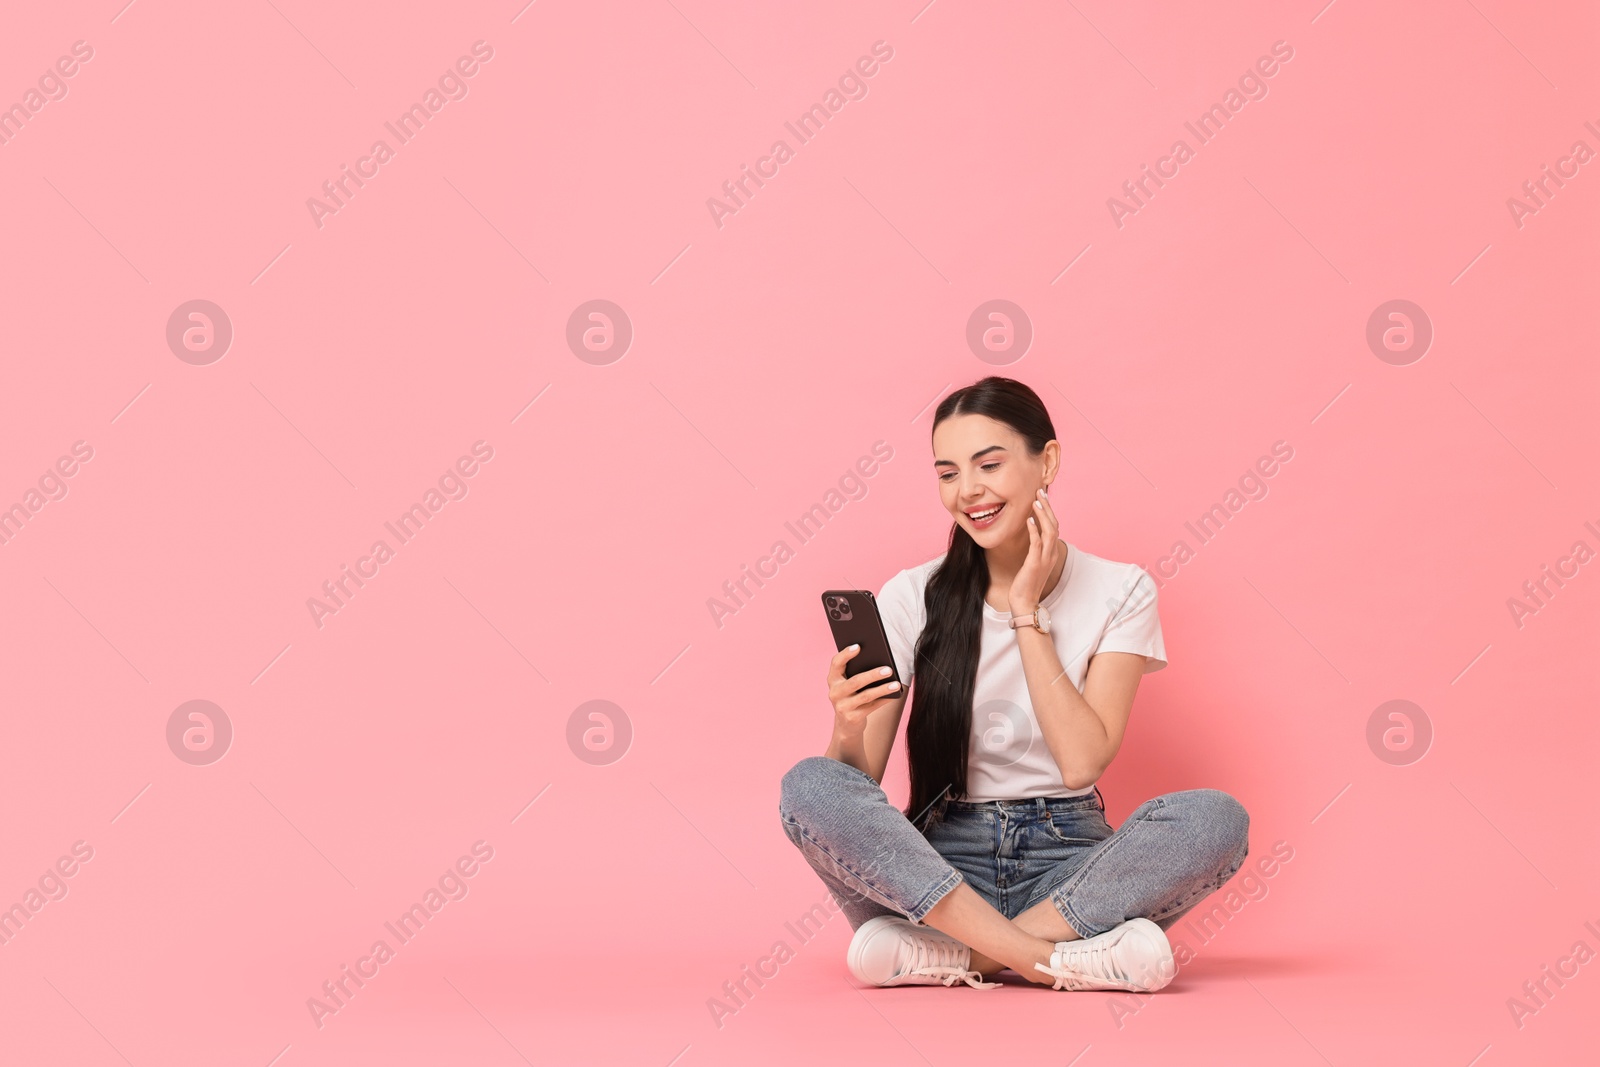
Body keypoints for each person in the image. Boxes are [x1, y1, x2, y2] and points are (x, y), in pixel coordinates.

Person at [778, 375, 1250, 992]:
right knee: (810, 783)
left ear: (1046, 461)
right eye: (947, 473)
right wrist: (846, 727)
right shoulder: (911, 596)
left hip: (1069, 863)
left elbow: (1082, 761)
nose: (968, 490)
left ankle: (962, 957)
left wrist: (1027, 611)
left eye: (989, 464)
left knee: (1217, 819)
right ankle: (1059, 960)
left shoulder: (1121, 590)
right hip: (938, 868)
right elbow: (853, 790)